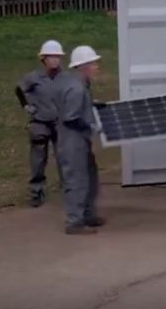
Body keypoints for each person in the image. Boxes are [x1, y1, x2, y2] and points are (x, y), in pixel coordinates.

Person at [55, 45, 103, 235]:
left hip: (81, 141)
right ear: (84, 66)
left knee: (91, 176)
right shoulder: (76, 88)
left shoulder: (79, 84)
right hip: (72, 142)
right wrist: (90, 126)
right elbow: (71, 117)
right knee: (77, 180)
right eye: (94, 63)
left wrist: (92, 106)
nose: (97, 67)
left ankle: (88, 215)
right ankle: (74, 222)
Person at [14, 40, 66, 207]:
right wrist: (26, 106)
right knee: (38, 159)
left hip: (59, 122)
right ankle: (37, 191)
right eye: (52, 57)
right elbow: (19, 89)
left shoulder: (64, 78)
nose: (56, 60)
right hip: (40, 123)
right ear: (43, 59)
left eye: (58, 57)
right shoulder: (34, 77)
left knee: (65, 157)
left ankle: (68, 189)